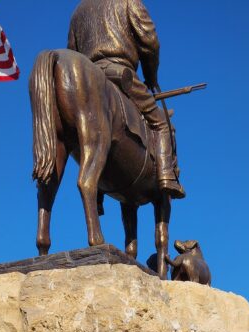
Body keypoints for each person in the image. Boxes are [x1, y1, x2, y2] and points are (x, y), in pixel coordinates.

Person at [67, 0, 185, 197]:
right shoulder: (129, 2)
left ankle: (97, 195)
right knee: (162, 122)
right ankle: (166, 176)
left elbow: (72, 53)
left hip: (89, 79)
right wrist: (150, 76)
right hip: (120, 73)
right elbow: (149, 41)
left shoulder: (78, 11)